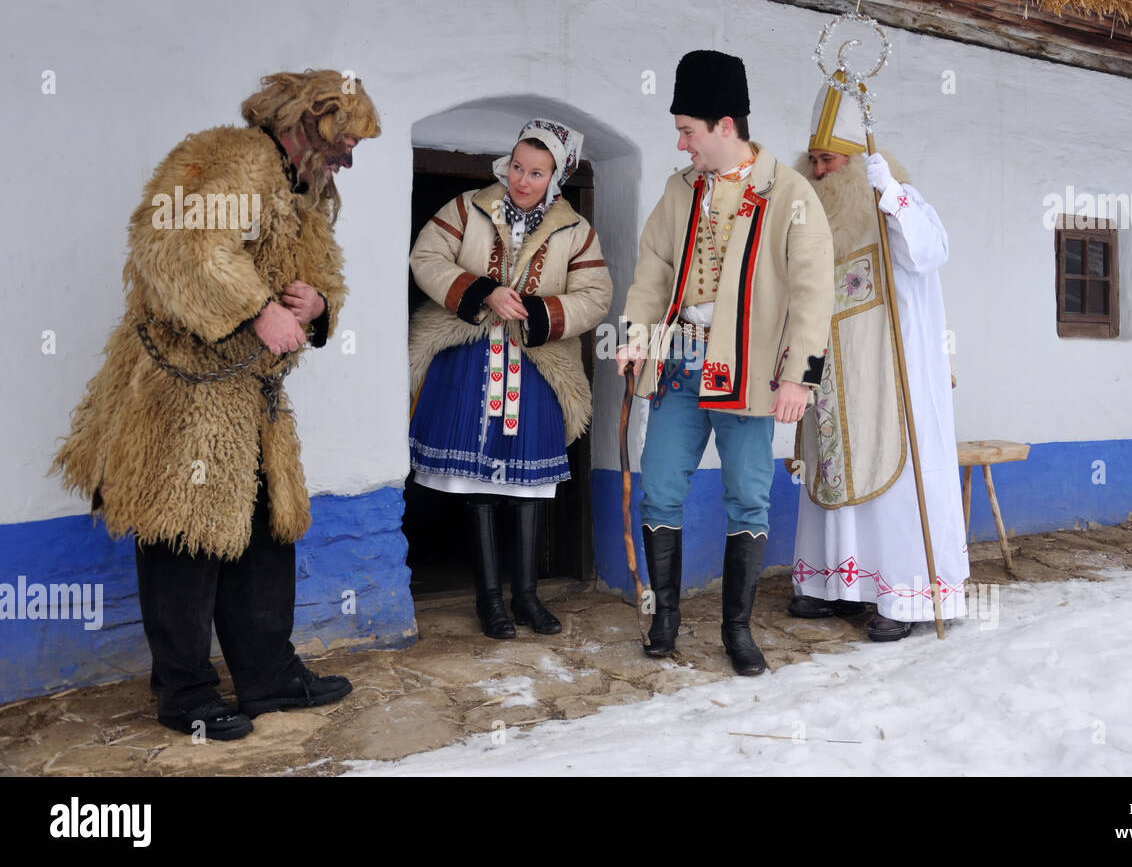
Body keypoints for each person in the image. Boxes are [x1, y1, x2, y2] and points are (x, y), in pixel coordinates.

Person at [52, 70, 380, 740]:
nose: (348, 157)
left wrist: (317, 307)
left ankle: (269, 675)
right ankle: (184, 692)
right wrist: (258, 310)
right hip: (183, 394)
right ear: (306, 125)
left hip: (250, 400)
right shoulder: (230, 159)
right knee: (184, 536)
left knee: (263, 532)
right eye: (343, 140)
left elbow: (321, 280)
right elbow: (174, 246)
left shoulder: (303, 195)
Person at [617, 50, 834, 675]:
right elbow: (654, 266)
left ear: (725, 126)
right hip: (681, 361)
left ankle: (737, 630)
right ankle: (664, 618)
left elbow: (814, 292)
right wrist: (637, 335)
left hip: (747, 370)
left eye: (689, 131)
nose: (682, 144)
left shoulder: (788, 193)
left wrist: (800, 376)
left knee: (748, 497)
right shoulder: (679, 189)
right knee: (659, 487)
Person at [408, 119, 611, 640]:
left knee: (531, 485)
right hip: (469, 352)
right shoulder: (466, 206)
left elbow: (595, 294)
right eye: (517, 167)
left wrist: (539, 313)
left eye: (536, 172)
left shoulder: (575, 230)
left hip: (536, 362)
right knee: (478, 484)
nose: (522, 180)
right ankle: (489, 601)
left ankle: (526, 597)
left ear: (556, 177)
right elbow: (425, 257)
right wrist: (482, 292)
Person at [789, 74, 968, 641]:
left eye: (827, 162)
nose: (817, 173)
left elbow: (932, 250)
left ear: (857, 161)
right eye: (812, 161)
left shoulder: (893, 201)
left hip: (894, 383)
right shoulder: (814, 230)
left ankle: (904, 596)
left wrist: (891, 194)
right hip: (833, 381)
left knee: (894, 482)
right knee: (832, 473)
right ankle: (836, 587)